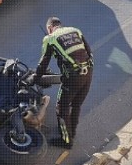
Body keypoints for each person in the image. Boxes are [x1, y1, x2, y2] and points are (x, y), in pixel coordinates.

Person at [35, 17, 94, 149]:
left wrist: (36, 78)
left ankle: (66, 141)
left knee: (61, 108)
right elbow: (89, 51)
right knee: (76, 104)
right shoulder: (75, 30)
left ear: (49, 28)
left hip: (73, 77)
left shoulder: (50, 38)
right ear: (60, 25)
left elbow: (43, 63)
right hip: (88, 72)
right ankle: (72, 130)